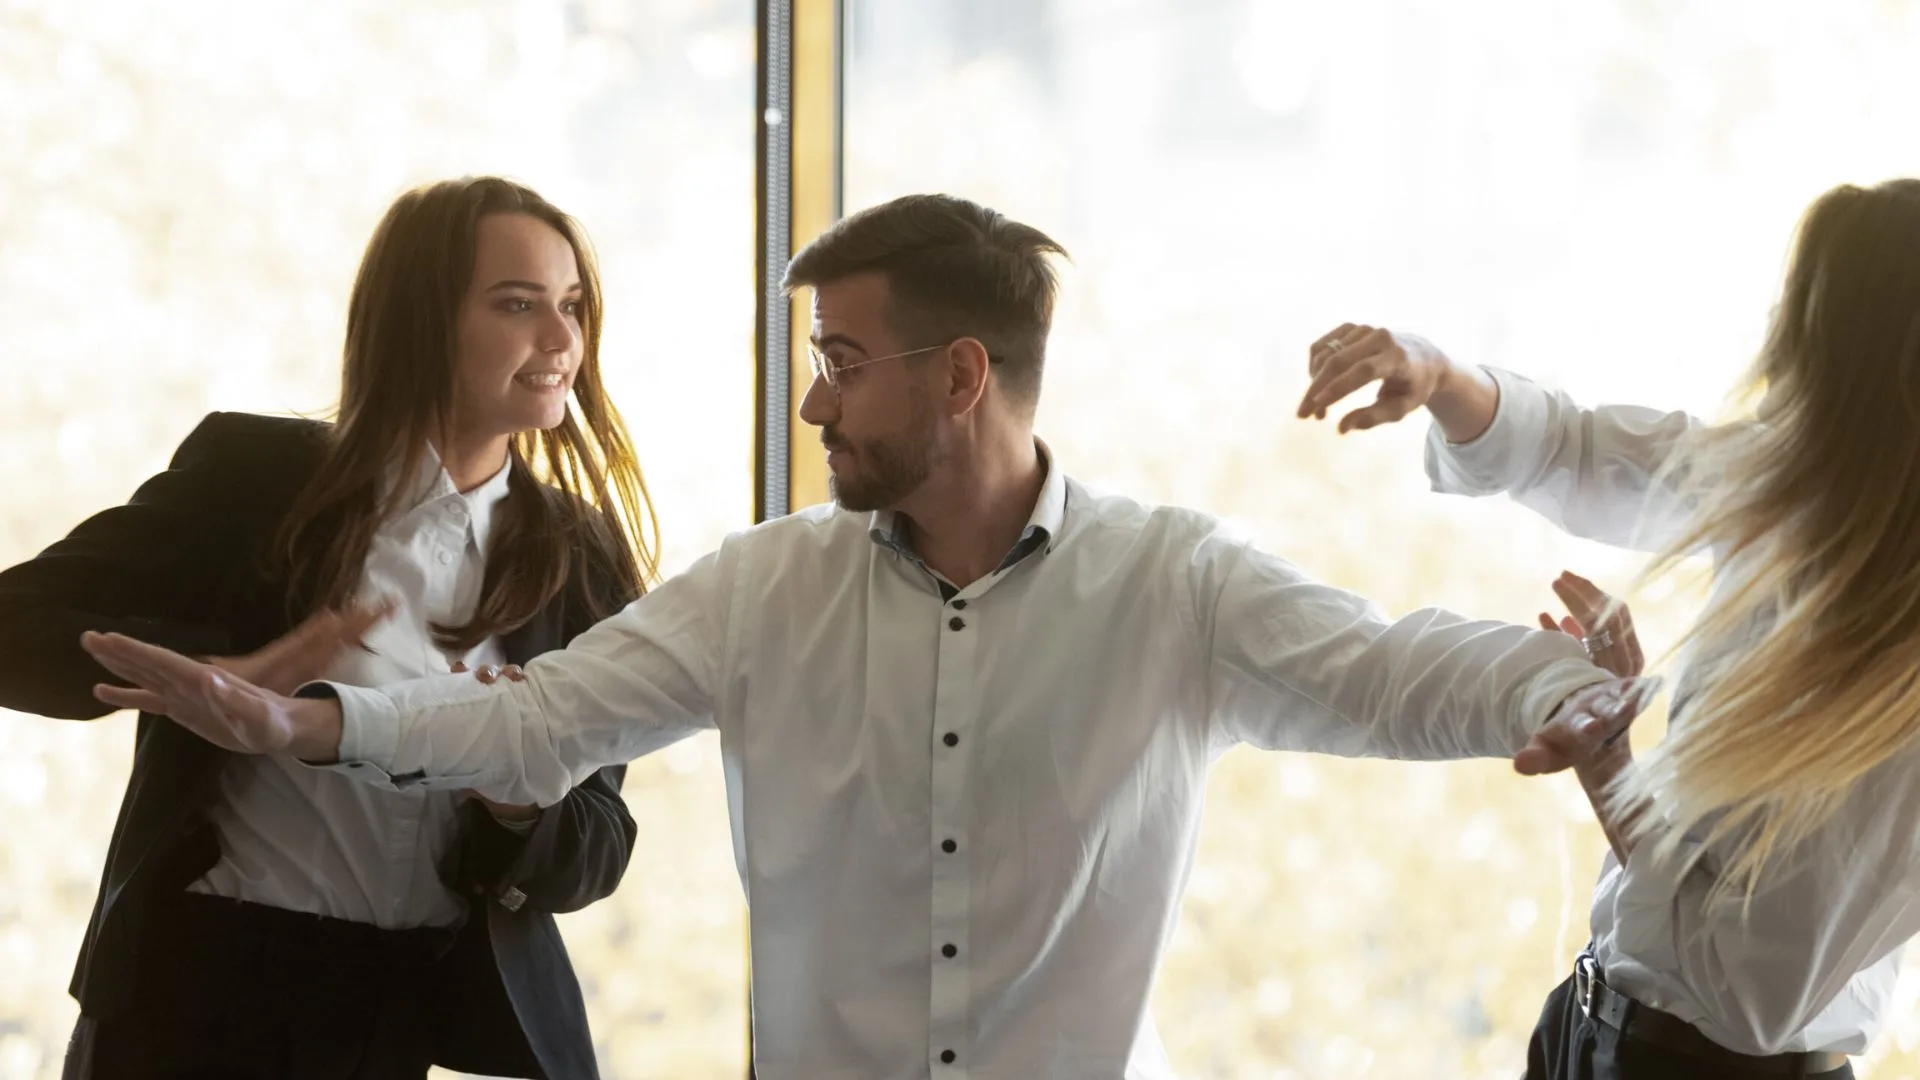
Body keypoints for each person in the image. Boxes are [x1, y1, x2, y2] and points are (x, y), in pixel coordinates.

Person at [82, 192, 1647, 1077]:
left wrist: (1563, 685)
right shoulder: (765, 587)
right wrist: (306, 727)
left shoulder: (1175, 581)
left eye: (841, 360)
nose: (816, 397)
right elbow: (533, 723)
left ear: (962, 376)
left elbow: (1384, 667)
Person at [0, 176, 656, 1079]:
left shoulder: (578, 551)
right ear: (422, 320)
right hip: (196, 997)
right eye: (518, 304)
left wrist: (512, 794)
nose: (561, 340)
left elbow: (598, 844)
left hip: (407, 1018)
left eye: (573, 307)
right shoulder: (254, 477)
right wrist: (220, 673)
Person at [1291, 179, 1920, 1079]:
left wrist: (1615, 770)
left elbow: (1745, 989)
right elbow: (1579, 452)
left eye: (1801, 326)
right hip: (1592, 1025)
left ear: (1849, 366)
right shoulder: (1792, 489)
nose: (1775, 347)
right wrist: (1437, 374)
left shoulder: (1900, 673)